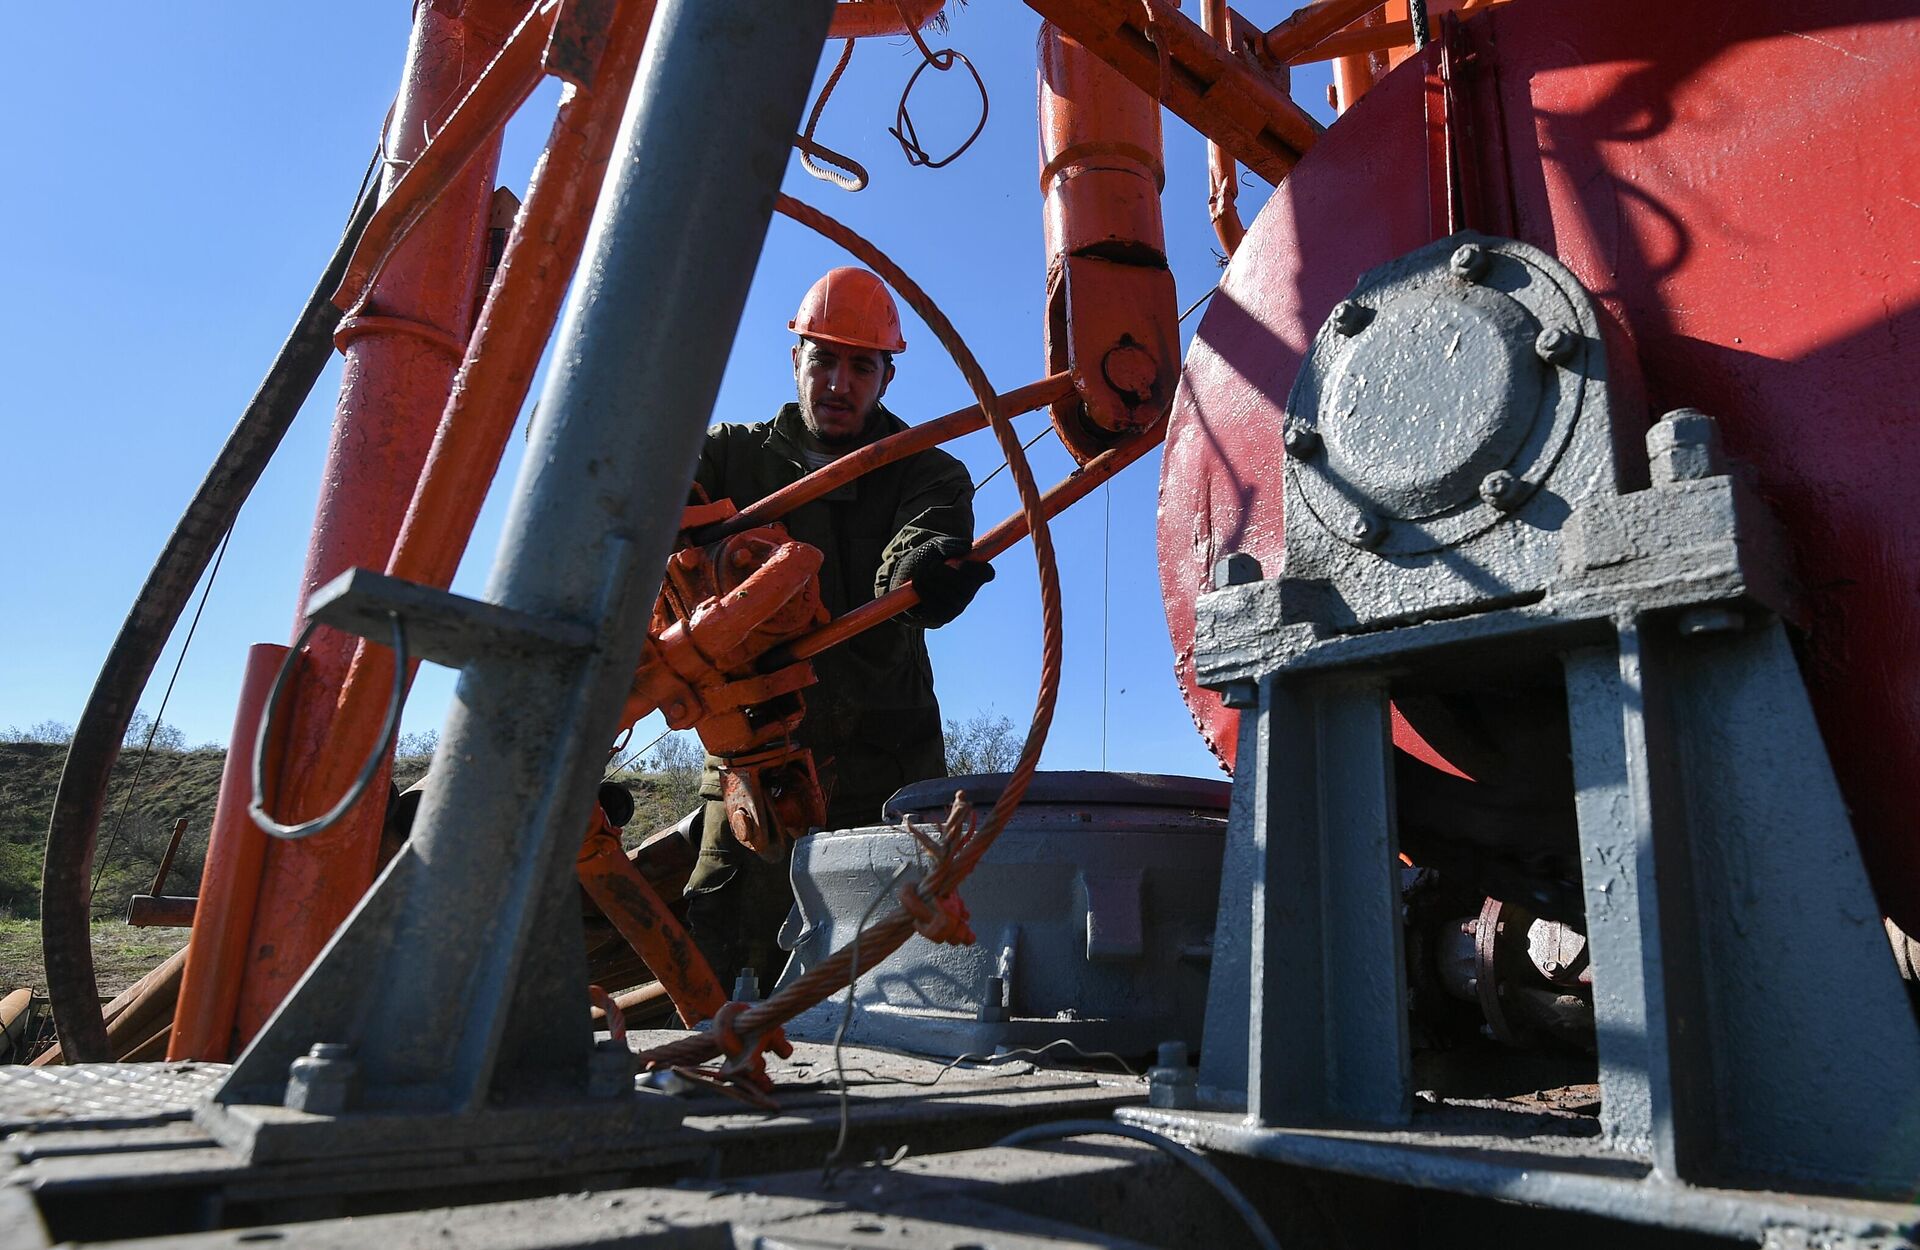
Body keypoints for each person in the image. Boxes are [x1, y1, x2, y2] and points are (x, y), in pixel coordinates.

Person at [682, 267, 993, 988]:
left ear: (887, 377)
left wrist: (925, 570)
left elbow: (925, 538)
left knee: (904, 959)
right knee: (724, 932)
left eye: (861, 365)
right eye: (823, 358)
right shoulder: (728, 454)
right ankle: (718, 1066)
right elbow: (657, 495)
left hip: (885, 761)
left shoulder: (929, 469)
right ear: (796, 360)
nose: (838, 381)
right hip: (753, 753)